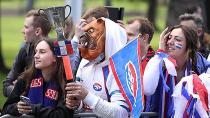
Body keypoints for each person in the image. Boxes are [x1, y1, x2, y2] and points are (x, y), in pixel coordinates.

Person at [65, 17, 129, 118]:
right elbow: (84, 106)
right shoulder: (85, 63)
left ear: (109, 39)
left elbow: (121, 113)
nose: (85, 39)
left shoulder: (119, 70)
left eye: (91, 32)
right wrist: (77, 103)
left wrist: (87, 96)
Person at [143, 25, 210, 117]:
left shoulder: (202, 67)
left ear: (189, 47)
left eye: (177, 39)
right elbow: (147, 89)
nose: (170, 42)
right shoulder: (157, 62)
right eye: (169, 38)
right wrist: (159, 53)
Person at [1, 39, 74, 118]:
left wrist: (33, 108)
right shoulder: (25, 78)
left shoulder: (66, 83)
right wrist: (17, 108)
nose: (36, 56)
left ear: (55, 57)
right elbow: (5, 109)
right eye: (36, 52)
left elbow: (62, 115)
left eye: (42, 52)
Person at [3, 9, 51, 97]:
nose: (22, 31)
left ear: (37, 31)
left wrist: (20, 87)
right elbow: (6, 86)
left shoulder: (55, 51)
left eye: (26, 27)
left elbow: (53, 89)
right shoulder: (25, 50)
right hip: (25, 107)